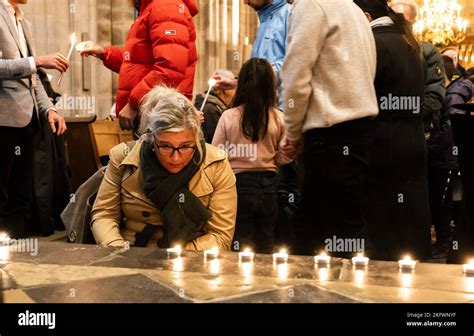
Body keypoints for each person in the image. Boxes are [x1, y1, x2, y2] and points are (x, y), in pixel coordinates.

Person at [280, 0, 379, 257]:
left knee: (315, 234)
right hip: (358, 131)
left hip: (331, 133)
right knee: (345, 227)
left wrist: (291, 132)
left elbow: (295, 75)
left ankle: (312, 294)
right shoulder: (354, 9)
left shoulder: (311, 5)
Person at [91, 87, 237, 250]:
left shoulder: (216, 164)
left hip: (192, 259)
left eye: (185, 146)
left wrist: (172, 258)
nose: (176, 157)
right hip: (131, 253)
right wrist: (118, 251)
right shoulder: (122, 158)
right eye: (166, 146)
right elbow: (104, 215)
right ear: (151, 138)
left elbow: (220, 236)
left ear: (196, 137)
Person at [354, 0, 431, 261]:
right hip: (412, 142)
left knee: (383, 223)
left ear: (365, 16)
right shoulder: (410, 44)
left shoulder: (373, 45)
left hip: (381, 146)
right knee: (409, 216)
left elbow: (360, 99)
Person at [0, 0, 68, 238]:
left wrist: (49, 109)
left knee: (21, 195)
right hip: (3, 120)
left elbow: (33, 78)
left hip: (27, 121)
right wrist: (37, 61)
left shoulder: (22, 20)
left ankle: (15, 256)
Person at [212, 58, 292, 253]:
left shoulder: (228, 116)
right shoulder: (278, 117)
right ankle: (267, 279)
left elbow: (216, 154)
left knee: (239, 240)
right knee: (266, 240)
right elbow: (285, 157)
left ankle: (239, 280)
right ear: (270, 87)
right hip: (269, 186)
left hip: (236, 185)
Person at [80, 0, 198, 132]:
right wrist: (105, 53)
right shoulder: (152, 7)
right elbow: (138, 66)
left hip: (160, 117)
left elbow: (169, 68)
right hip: (152, 114)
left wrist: (134, 104)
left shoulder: (166, 7)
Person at [428, 55, 473, 258]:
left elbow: (451, 128)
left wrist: (432, 147)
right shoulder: (452, 92)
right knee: (441, 199)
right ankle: (444, 241)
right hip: (446, 155)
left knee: (441, 200)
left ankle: (444, 242)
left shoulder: (453, 95)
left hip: (446, 156)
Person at [390, 0, 446, 141]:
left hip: (416, 130)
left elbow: (434, 97)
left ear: (413, 22)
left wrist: (395, 111)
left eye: (400, 20)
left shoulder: (428, 52)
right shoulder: (383, 47)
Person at [243, 0, 291, 110]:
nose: (245, 2)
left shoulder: (290, 15)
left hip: (282, 112)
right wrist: (238, 82)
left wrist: (263, 72)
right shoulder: (264, 22)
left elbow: (296, 63)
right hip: (263, 111)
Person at [194, 69, 236, 143]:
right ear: (226, 89)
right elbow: (216, 144)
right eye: (234, 88)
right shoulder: (209, 110)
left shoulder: (213, 107)